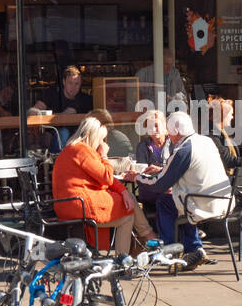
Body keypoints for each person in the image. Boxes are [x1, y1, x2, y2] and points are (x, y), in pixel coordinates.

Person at [136, 111, 230, 272]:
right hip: (223, 200)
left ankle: (170, 252)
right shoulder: (206, 141)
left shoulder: (184, 149)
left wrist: (137, 177)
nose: (169, 137)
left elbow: (160, 184)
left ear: (176, 131)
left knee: (165, 201)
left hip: (202, 203)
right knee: (177, 200)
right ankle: (194, 248)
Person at [52, 116, 156, 255]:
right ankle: (129, 255)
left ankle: (146, 239)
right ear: (93, 136)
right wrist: (104, 156)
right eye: (101, 139)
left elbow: (104, 177)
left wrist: (124, 191)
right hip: (79, 204)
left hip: (69, 203)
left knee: (128, 199)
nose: (102, 143)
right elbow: (106, 177)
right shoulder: (82, 151)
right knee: (128, 213)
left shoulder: (72, 150)